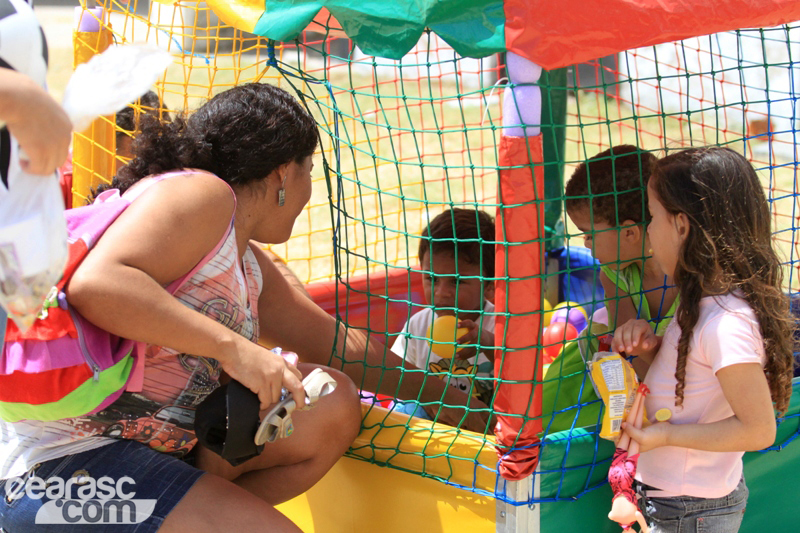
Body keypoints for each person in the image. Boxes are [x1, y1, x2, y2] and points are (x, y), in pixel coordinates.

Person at [0, 83, 484, 532]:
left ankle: (201, 503)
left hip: (148, 459)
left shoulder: (246, 260)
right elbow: (97, 285)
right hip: (64, 476)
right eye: (308, 172)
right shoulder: (203, 194)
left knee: (332, 398)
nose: (308, 190)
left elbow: (342, 349)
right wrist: (235, 349)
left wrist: (458, 404)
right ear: (281, 172)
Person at [611, 146, 795, 532]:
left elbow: (759, 429)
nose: (647, 230)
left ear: (681, 226)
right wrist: (650, 352)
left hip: (688, 509)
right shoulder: (700, 301)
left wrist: (665, 435)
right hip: (671, 497)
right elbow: (696, 382)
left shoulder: (726, 324)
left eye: (652, 216)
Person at [565, 145, 678, 337]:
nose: (586, 243)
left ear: (629, 233)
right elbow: (629, 353)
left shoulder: (692, 271)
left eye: (590, 235)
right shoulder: (613, 276)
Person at [391, 208, 496, 410]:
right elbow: (398, 376)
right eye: (432, 279)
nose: (440, 293)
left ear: (489, 285)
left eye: (456, 282)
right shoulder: (417, 326)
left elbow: (518, 374)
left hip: (486, 428)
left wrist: (488, 343)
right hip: (432, 426)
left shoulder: (500, 323)